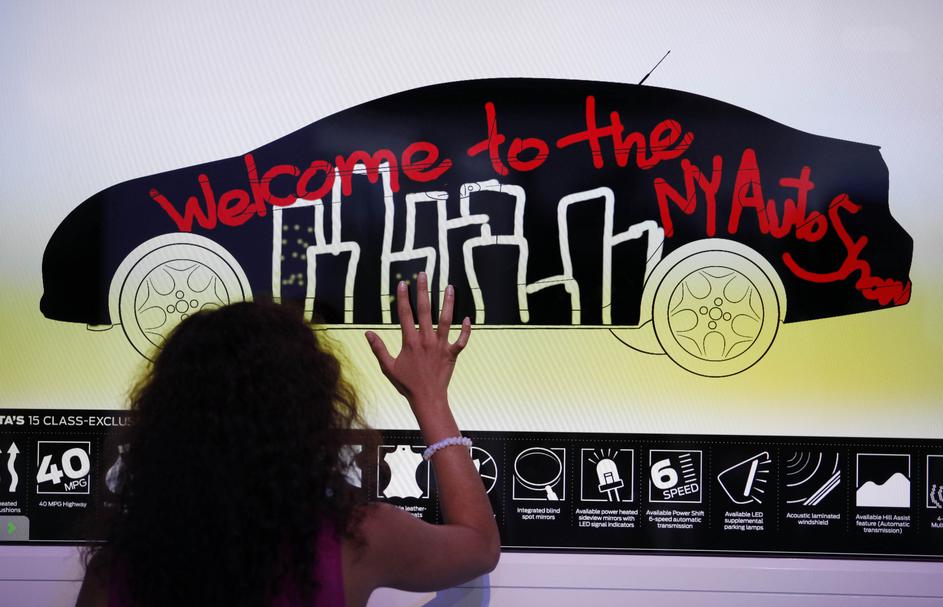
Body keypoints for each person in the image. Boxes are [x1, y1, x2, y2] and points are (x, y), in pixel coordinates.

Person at [76, 272, 500, 606]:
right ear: (311, 415)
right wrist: (429, 398)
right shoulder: (356, 541)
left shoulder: (111, 572)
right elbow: (479, 546)